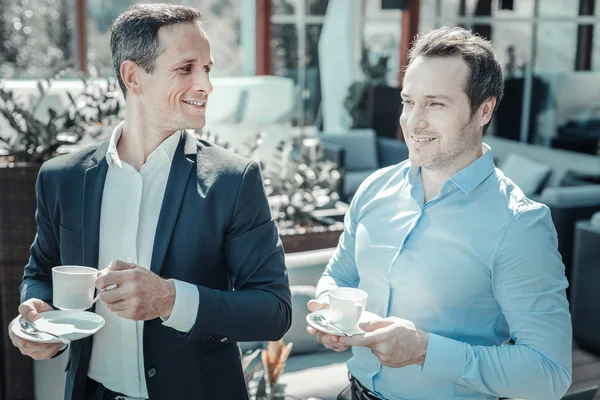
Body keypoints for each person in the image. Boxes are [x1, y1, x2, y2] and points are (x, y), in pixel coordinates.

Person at [7, 4, 291, 400]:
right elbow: (41, 271)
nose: (206, 85)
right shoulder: (62, 178)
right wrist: (38, 315)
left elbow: (273, 310)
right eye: (186, 68)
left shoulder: (233, 180)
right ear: (132, 76)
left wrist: (170, 299)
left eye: (207, 68)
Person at [308, 27, 572, 400]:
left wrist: (425, 351)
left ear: (484, 110)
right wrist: (332, 311)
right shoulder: (374, 189)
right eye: (408, 101)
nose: (413, 122)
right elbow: (340, 274)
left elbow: (549, 375)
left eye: (435, 104)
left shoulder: (519, 225)